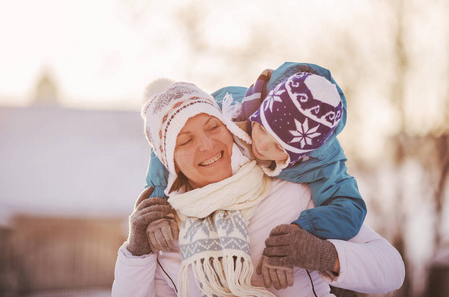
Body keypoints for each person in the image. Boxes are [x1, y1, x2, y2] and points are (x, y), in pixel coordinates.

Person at [112, 81, 405, 297]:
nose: (207, 145)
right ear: (168, 159)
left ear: (229, 126)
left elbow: (392, 270)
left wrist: (322, 254)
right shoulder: (168, 232)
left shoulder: (290, 189)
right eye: (185, 141)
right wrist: (137, 253)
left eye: (213, 127)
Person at [145, 62, 366, 242]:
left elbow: (350, 209)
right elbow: (166, 133)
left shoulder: (321, 163)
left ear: (300, 154)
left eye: (278, 146)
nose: (261, 146)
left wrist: (305, 228)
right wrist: (157, 197)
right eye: (261, 127)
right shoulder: (233, 103)